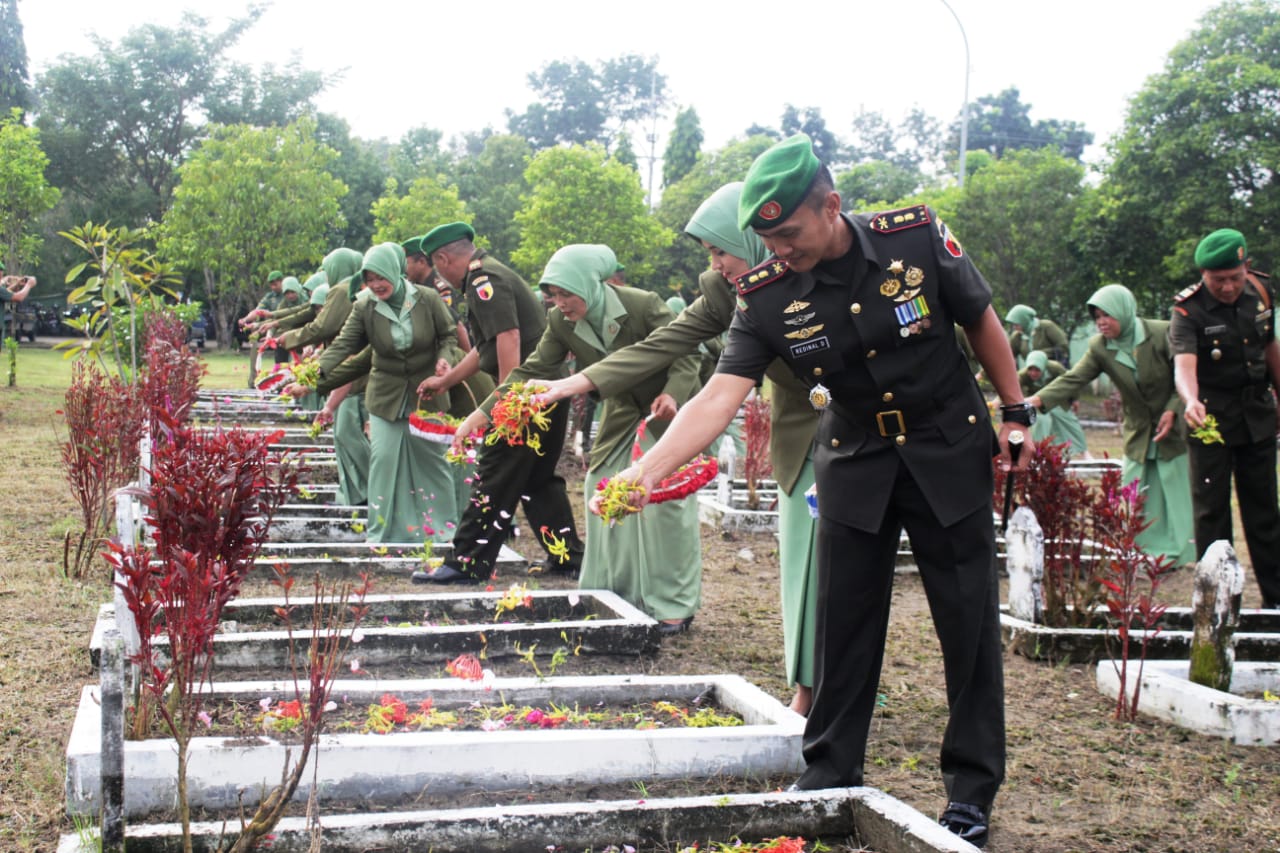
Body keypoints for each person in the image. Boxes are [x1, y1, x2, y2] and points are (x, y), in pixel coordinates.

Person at [591, 135, 1028, 847]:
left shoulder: (913, 237)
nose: (779, 251)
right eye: (766, 239)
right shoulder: (765, 297)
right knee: (844, 622)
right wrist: (646, 470)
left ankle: (971, 791)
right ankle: (829, 767)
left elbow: (978, 315)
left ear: (831, 206)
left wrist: (1015, 410)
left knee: (965, 625)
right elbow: (716, 396)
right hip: (856, 456)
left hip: (945, 447)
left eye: (788, 234)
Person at [533, 182, 821, 711]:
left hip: (858, 431)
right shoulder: (726, 289)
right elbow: (663, 347)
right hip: (799, 435)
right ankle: (808, 689)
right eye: (709, 252)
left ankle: (824, 688)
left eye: (720, 249)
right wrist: (574, 385)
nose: (714, 263)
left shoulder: (818, 273)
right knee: (804, 562)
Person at [454, 243, 702, 634]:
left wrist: (674, 391)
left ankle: (674, 605)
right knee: (600, 486)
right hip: (621, 410)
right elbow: (530, 369)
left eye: (566, 293)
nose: (559, 303)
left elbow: (688, 350)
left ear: (589, 283)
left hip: (666, 411)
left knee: (663, 501)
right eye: (552, 295)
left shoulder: (641, 304)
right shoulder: (560, 322)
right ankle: (616, 591)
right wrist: (479, 415)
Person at [411, 222, 585, 584]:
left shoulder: (482, 280)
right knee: (537, 480)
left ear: (442, 258)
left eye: (437, 266)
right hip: (544, 391)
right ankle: (568, 558)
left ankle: (465, 563)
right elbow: (485, 346)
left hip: (528, 396)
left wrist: (505, 405)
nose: (439, 275)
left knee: (493, 475)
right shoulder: (486, 274)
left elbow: (509, 338)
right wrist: (446, 380)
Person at [1028, 284, 1195, 565]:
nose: (1102, 322)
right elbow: (1073, 379)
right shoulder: (1100, 347)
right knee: (1137, 488)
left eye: (1108, 315)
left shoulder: (1162, 333)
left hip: (1172, 425)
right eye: (1097, 316)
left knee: (1175, 487)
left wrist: (1174, 410)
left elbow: (1185, 374)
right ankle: (1142, 552)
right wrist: (1035, 401)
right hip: (1139, 429)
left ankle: (1182, 552)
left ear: (1124, 311)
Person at [317, 243, 460, 544]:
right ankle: (382, 531)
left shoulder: (428, 298)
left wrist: (445, 359)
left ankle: (442, 529)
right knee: (382, 458)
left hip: (427, 391)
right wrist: (317, 371)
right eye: (369, 279)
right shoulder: (364, 305)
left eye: (381, 277)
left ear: (396, 271)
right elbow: (345, 344)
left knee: (431, 458)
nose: (376, 285)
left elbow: (447, 334)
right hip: (385, 394)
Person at [1170, 228, 1280, 608]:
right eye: (1219, 280)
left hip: (1258, 417)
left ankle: (1275, 600)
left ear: (1246, 267)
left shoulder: (1262, 292)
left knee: (1264, 510)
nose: (1228, 287)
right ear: (1204, 276)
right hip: (1209, 419)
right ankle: (1218, 603)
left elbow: (1269, 348)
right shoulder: (1188, 309)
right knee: (1212, 514)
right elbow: (1184, 366)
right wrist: (1190, 400)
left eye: (1234, 277)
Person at [279, 247, 370, 507]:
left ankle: (372, 491)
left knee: (350, 436)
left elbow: (326, 330)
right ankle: (359, 493)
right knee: (344, 436)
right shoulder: (351, 292)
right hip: (345, 373)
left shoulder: (344, 292)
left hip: (354, 378)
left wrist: (310, 382)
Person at [1018, 351, 1088, 456]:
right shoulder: (1023, 375)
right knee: (1041, 422)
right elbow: (1009, 387)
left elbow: (1071, 382)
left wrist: (1075, 400)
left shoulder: (1055, 368)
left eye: (1037, 370)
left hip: (1057, 401)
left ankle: (1084, 452)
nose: (1033, 373)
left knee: (1069, 421)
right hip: (1036, 403)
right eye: (1030, 369)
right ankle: (1038, 452)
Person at [1005, 303, 1070, 367]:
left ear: (1024, 320)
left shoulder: (1046, 326)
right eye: (1013, 324)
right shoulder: (1017, 336)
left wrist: (1039, 355)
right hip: (1032, 374)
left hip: (1053, 370)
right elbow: (1008, 356)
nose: (1014, 327)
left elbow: (1063, 347)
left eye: (1017, 324)